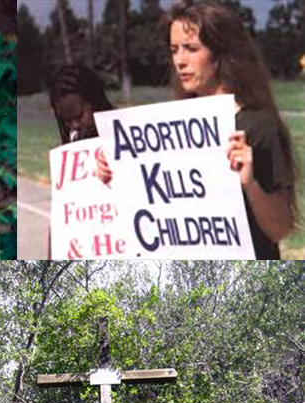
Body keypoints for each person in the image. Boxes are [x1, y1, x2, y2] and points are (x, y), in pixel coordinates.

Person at [98, 0, 299, 259]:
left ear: (220, 54)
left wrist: (250, 183)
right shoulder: (168, 131)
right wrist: (117, 173)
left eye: (191, 49)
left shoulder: (258, 126)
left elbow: (280, 229)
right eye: (174, 49)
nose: (180, 61)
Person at [47, 63, 114, 257]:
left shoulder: (124, 136)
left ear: (95, 101)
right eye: (67, 120)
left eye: (79, 116)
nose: (75, 125)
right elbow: (61, 218)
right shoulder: (68, 155)